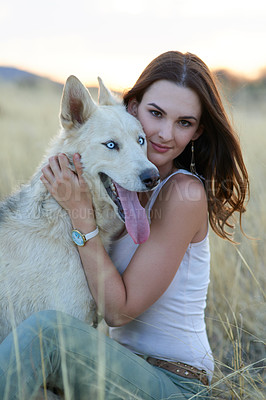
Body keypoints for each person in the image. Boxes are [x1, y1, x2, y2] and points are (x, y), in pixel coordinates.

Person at [0, 51, 249, 399]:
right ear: (133, 108)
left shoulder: (184, 194)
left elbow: (118, 311)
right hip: (120, 369)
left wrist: (80, 213)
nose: (164, 134)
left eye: (184, 122)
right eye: (156, 114)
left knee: (48, 334)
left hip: (175, 384)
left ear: (197, 131)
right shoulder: (123, 193)